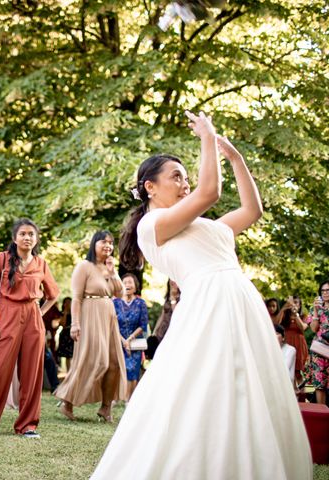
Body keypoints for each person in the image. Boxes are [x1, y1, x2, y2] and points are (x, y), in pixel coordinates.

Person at [92, 112, 311, 479]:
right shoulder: (153, 226)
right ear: (150, 187)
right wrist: (206, 137)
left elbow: (251, 210)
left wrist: (236, 159)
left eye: (186, 177)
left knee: (243, 386)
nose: (185, 183)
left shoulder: (205, 227)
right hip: (210, 305)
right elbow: (211, 192)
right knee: (201, 386)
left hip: (239, 301)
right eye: (176, 177)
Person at [0, 219, 59, 439]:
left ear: (36, 238)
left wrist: (38, 313)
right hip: (6, 315)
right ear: (14, 238)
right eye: (22, 234)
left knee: (32, 374)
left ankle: (28, 425)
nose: (27, 237)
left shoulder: (41, 263)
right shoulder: (1, 259)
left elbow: (53, 295)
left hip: (33, 318)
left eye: (31, 234)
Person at [54, 231, 126, 423]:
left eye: (111, 243)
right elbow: (76, 298)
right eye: (104, 241)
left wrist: (113, 273)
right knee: (94, 360)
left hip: (108, 317)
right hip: (89, 315)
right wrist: (75, 323)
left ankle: (105, 408)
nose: (108, 246)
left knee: (114, 363)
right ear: (94, 243)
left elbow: (120, 293)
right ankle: (67, 401)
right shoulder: (84, 266)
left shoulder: (109, 268)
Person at [113, 273, 149, 401]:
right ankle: (114, 399)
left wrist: (129, 340)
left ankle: (130, 401)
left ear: (135, 286)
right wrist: (123, 341)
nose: (127, 285)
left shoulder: (141, 303)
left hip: (134, 343)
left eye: (130, 282)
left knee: (132, 370)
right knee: (117, 369)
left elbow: (143, 325)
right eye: (125, 282)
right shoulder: (115, 302)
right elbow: (112, 324)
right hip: (118, 341)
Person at [304, 281, 329, 406]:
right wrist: (315, 310)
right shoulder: (316, 309)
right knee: (319, 384)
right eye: (323, 291)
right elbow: (314, 329)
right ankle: (322, 414)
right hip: (319, 351)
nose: (325, 293)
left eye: (327, 290)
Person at [280, 295, 308, 387]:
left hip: (299, 345)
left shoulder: (304, 316)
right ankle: (293, 394)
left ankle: (302, 397)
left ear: (300, 305)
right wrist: (284, 307)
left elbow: (303, 328)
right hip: (287, 344)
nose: (293, 305)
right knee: (287, 371)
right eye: (292, 302)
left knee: (297, 372)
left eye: (296, 303)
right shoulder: (284, 316)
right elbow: (276, 323)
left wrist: (296, 314)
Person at [56, 297, 74, 371]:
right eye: (66, 302)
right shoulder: (61, 313)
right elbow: (62, 324)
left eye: (69, 302)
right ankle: (68, 373)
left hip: (73, 334)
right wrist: (65, 313)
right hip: (65, 335)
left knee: (75, 355)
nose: (68, 304)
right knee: (68, 356)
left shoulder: (75, 312)